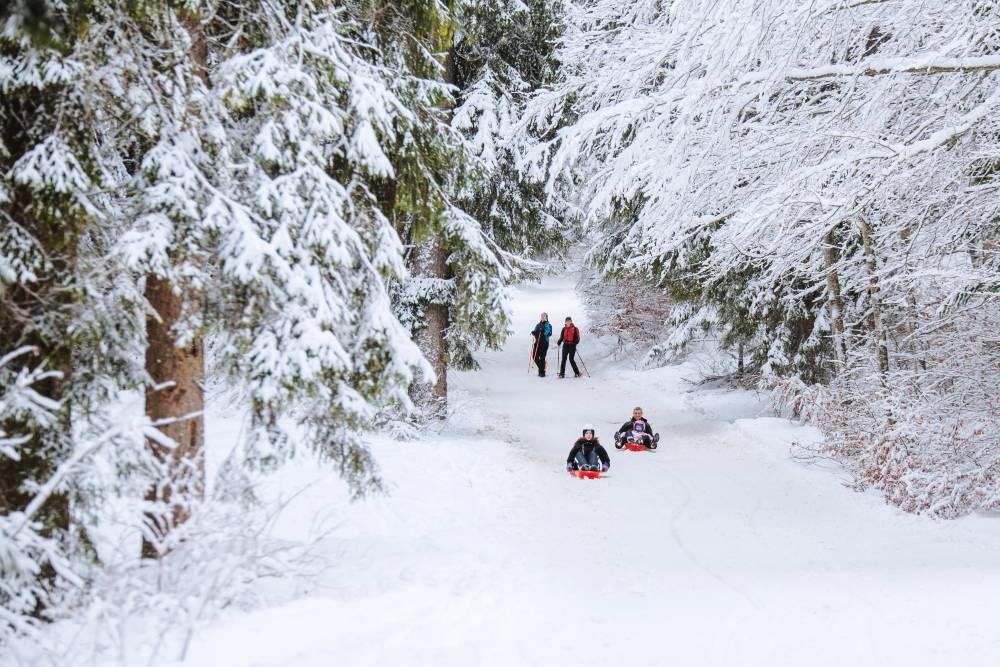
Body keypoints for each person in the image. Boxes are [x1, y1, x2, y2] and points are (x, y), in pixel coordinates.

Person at [530, 313, 552, 377]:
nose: (542, 317)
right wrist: (534, 332)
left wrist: (543, 331)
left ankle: (542, 372)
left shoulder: (548, 325)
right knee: (535, 356)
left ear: (546, 317)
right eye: (541, 316)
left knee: (542, 357)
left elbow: (548, 332)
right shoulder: (538, 325)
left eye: (544, 316)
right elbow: (535, 330)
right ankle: (542, 368)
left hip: (544, 343)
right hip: (537, 343)